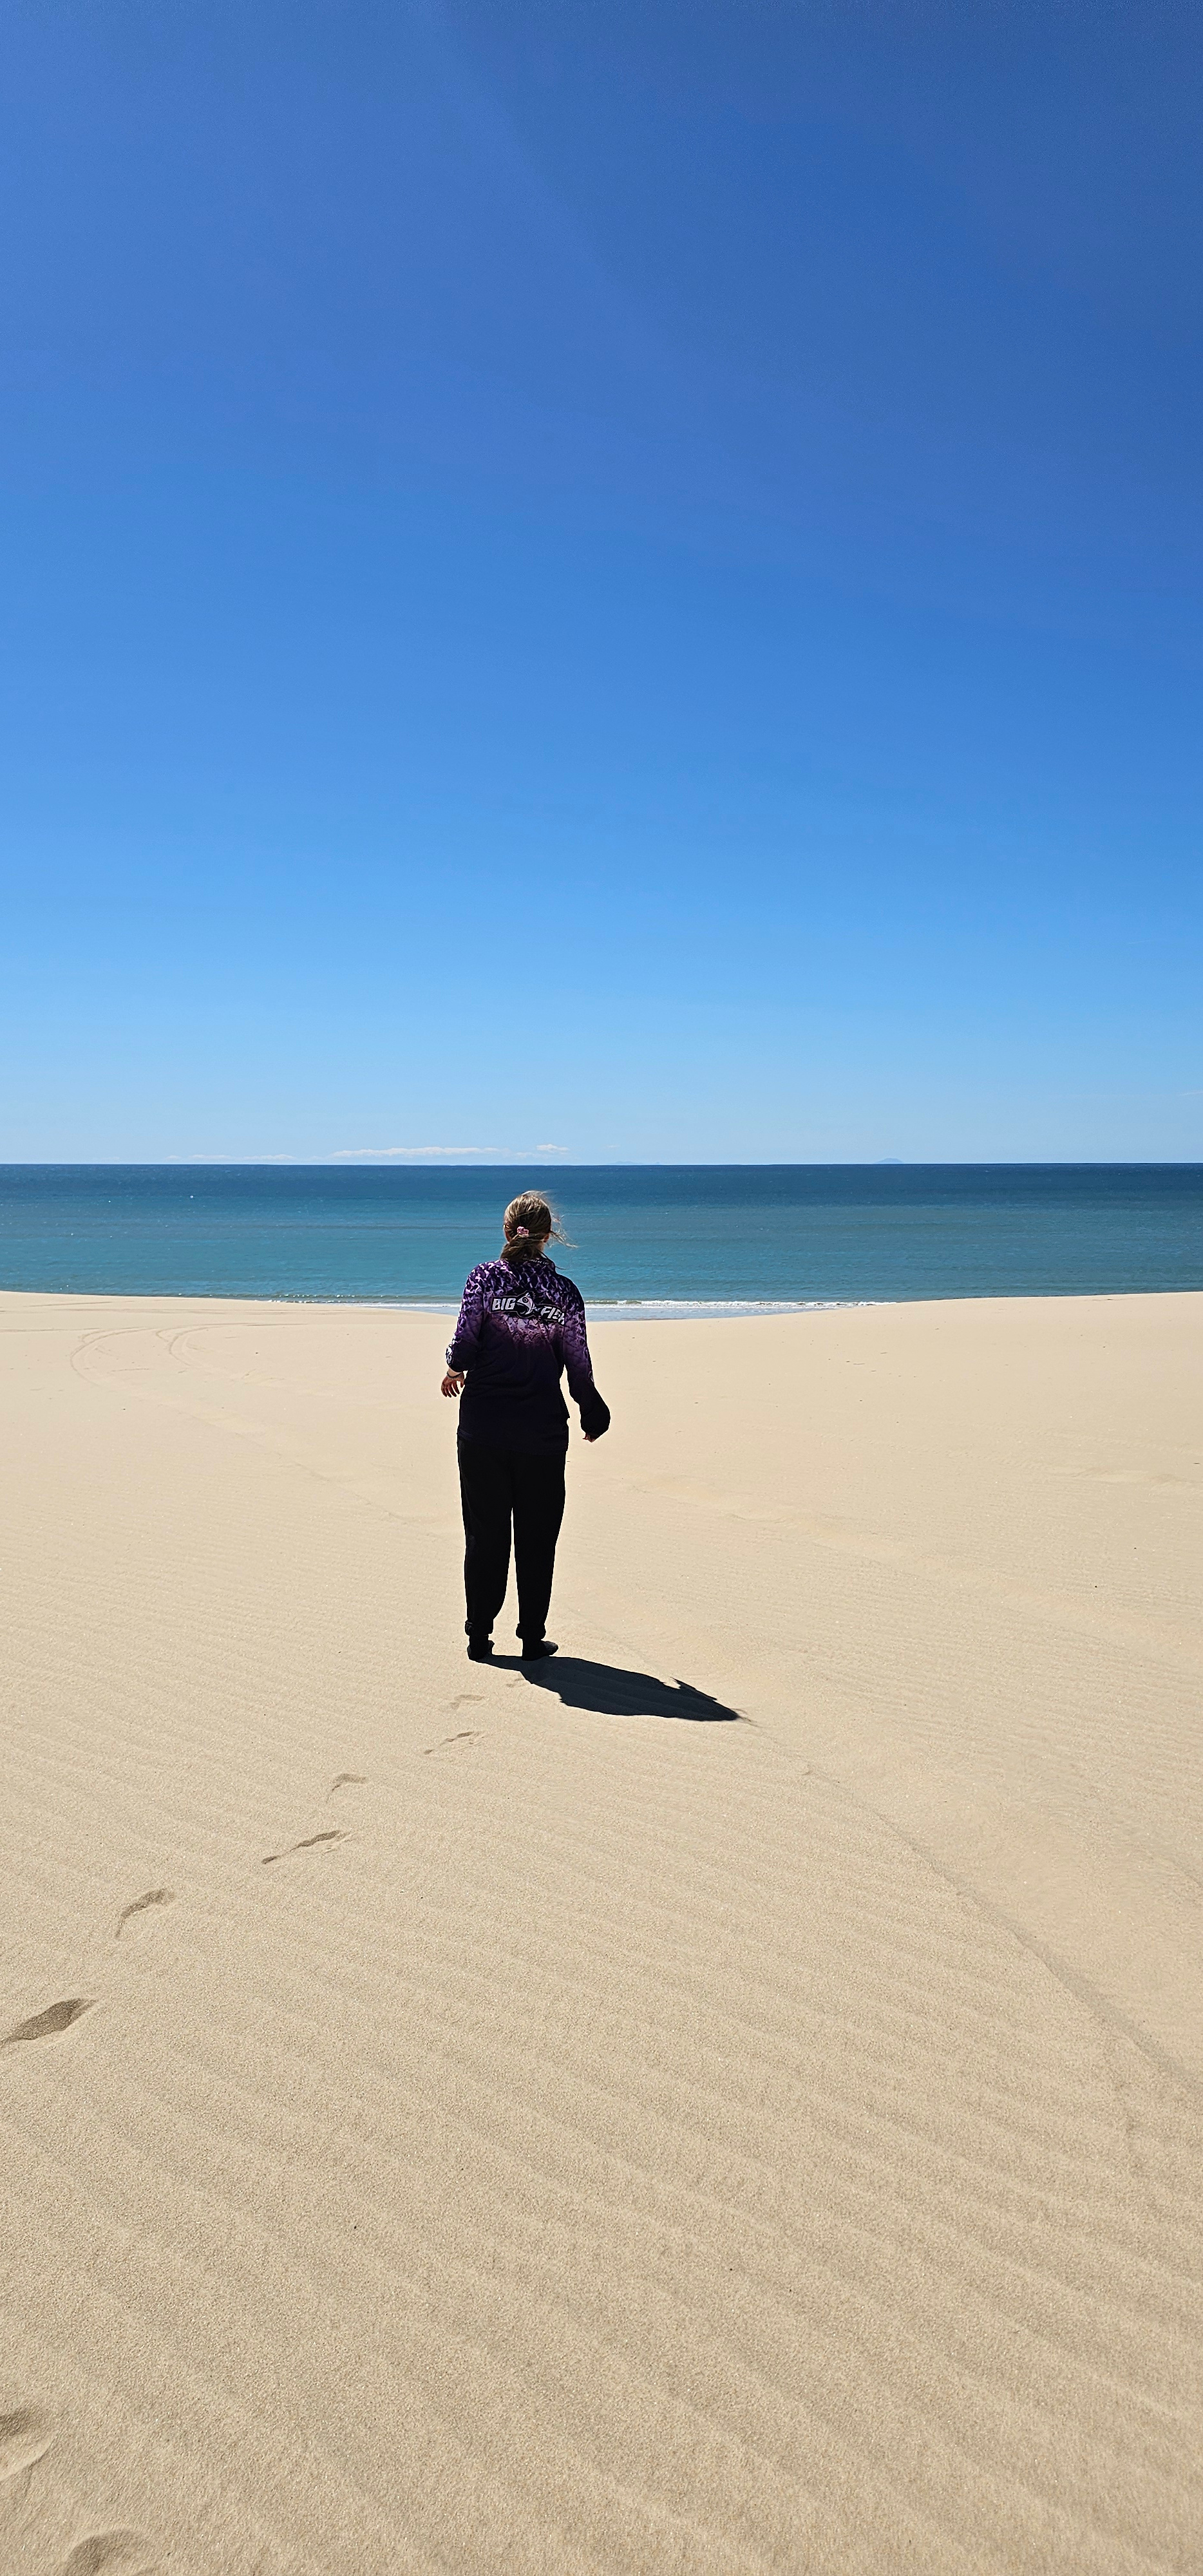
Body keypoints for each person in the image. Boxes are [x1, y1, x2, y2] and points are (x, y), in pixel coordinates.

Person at [442, 1192, 610, 1662]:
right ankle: (532, 1638)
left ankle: (479, 1637)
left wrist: (453, 1369)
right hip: (542, 1433)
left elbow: (464, 1343)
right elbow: (578, 1363)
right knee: (538, 1538)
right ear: (548, 1235)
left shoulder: (484, 1277)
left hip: (484, 1428)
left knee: (485, 1534)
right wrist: (593, 1411)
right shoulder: (565, 1293)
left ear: (507, 1230)